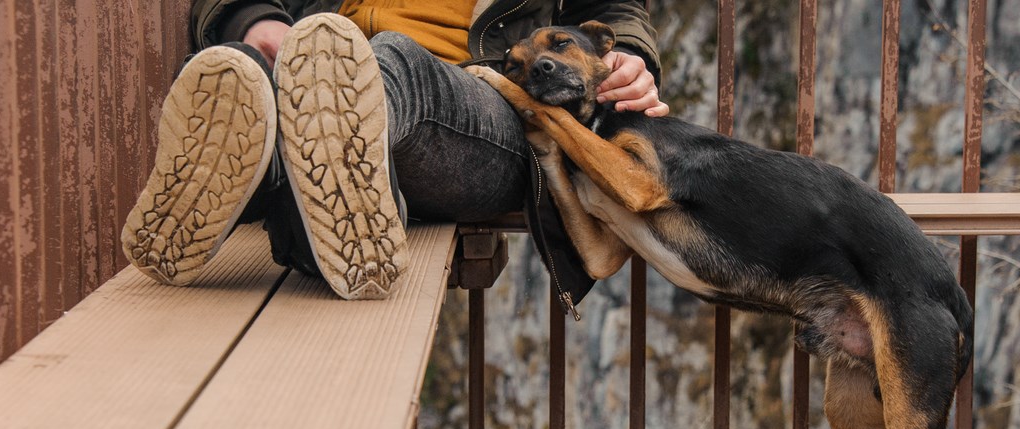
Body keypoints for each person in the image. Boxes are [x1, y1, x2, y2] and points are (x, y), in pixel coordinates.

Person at [121, 0, 667, 301]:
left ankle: (276, 181)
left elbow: (612, 7)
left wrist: (629, 57)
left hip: (480, 101)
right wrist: (259, 22)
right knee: (247, 66)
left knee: (386, 63)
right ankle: (318, 198)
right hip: (310, 55)